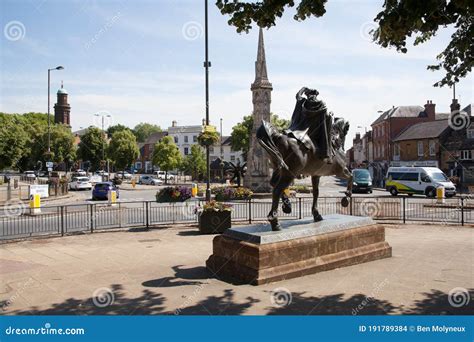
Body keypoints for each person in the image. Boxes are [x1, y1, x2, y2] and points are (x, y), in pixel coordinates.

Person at [285, 87, 333, 163]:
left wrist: (303, 89)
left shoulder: (304, 102)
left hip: (301, 129)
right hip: (317, 133)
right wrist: (330, 115)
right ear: (315, 95)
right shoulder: (322, 104)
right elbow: (328, 119)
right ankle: (326, 152)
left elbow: (298, 96)